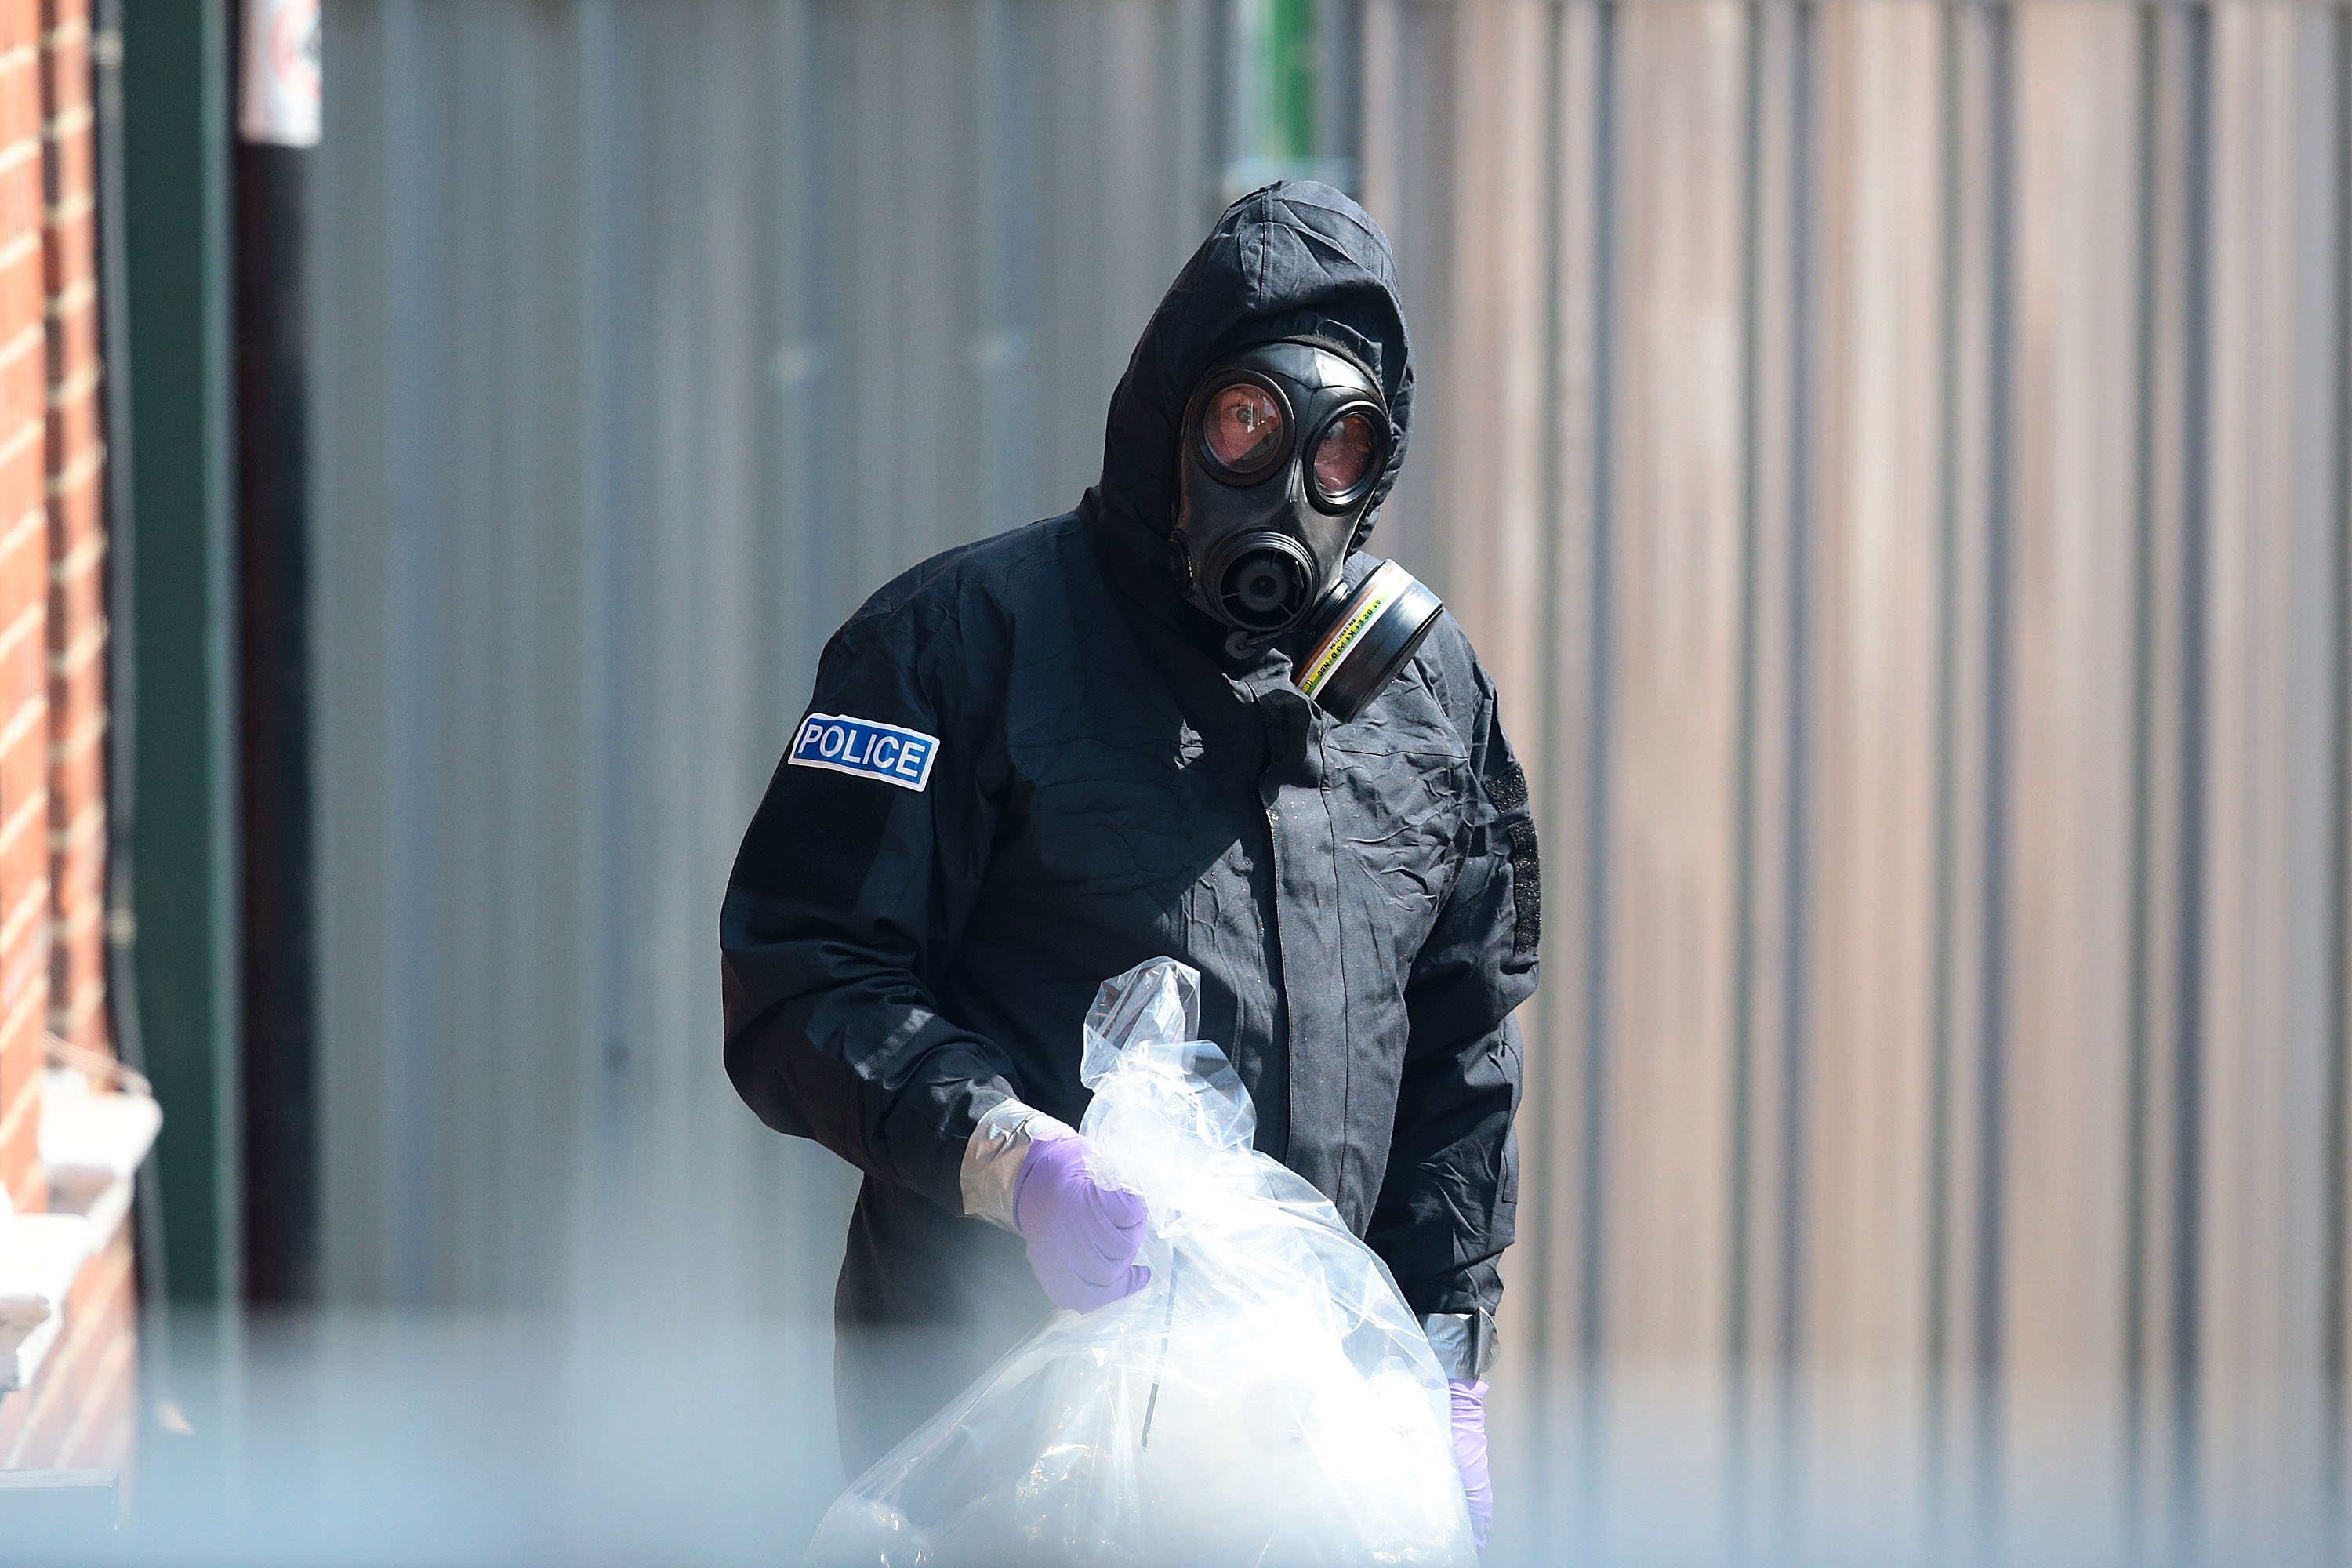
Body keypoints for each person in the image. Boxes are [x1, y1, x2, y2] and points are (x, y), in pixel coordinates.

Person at [720, 180, 1536, 1552]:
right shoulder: (961, 644)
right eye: (1245, 424)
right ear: (1172, 419)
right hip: (998, 1434)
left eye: (1334, 451)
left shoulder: (1418, 696)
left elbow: (1460, 1057)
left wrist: (1443, 1361)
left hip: (1293, 1457)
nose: (1283, 482)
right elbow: (804, 979)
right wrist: (1009, 1159)